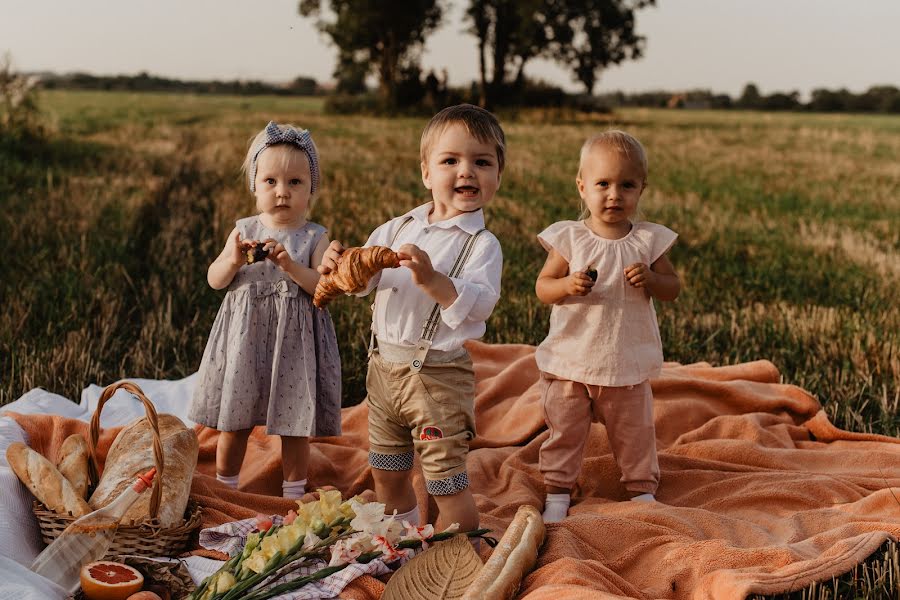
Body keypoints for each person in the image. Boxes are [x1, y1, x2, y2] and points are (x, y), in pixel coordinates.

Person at [318, 104, 505, 533]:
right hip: (383, 371)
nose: (467, 172)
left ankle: (459, 559)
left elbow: (478, 305)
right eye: (450, 161)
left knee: (444, 482)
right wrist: (340, 264)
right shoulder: (397, 228)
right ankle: (402, 541)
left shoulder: (481, 244)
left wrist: (432, 277)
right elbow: (361, 280)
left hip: (437, 378)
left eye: (482, 162)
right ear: (426, 173)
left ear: (497, 175)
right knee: (387, 470)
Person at [534, 130, 681, 523]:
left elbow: (673, 288)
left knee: (634, 433)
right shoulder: (570, 237)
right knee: (564, 431)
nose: (614, 194)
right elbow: (543, 288)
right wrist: (567, 285)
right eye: (603, 184)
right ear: (582, 187)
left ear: (641, 189)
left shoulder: (649, 240)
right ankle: (558, 492)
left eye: (626, 185)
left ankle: (640, 489)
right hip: (571, 360)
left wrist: (652, 279)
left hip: (625, 361)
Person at [189, 121, 341, 499]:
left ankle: (293, 492)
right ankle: (227, 485)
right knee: (234, 420)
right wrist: (234, 260)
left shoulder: (314, 237)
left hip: (294, 345)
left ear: (311, 190)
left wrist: (291, 266)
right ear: (255, 187)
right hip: (246, 339)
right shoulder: (243, 232)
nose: (282, 193)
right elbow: (215, 279)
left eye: (295, 183)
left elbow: (323, 288)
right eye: (270, 181)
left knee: (294, 423)